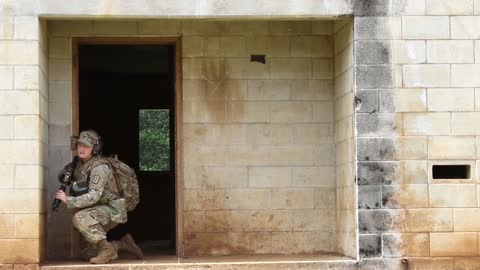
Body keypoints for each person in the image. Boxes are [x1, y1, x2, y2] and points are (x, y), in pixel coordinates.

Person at [55, 130, 143, 264]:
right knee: (86, 253)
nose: (82, 148)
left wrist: (68, 199)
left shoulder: (99, 168)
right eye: (80, 145)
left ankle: (107, 250)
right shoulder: (80, 165)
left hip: (113, 209)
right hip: (100, 208)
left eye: (86, 146)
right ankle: (121, 244)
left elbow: (94, 196)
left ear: (94, 149)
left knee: (79, 218)